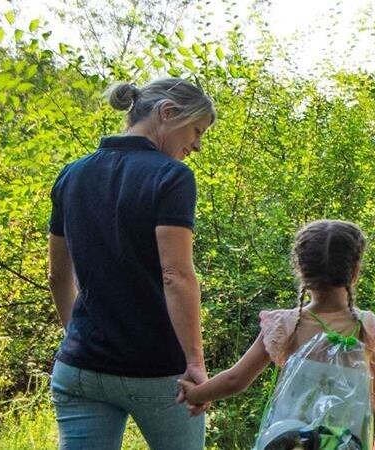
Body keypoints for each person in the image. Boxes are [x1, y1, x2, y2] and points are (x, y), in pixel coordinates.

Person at [46, 78, 217, 449]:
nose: (198, 145)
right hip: (156, 368)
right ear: (168, 113)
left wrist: (75, 337)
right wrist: (195, 364)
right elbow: (176, 275)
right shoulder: (172, 177)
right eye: (196, 130)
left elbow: (58, 274)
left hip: (80, 365)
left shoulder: (72, 174)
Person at [176, 220, 375, 450]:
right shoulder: (367, 327)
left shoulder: (286, 325)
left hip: (288, 442)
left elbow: (236, 380)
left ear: (301, 270)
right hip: (345, 442)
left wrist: (196, 394)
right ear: (355, 272)